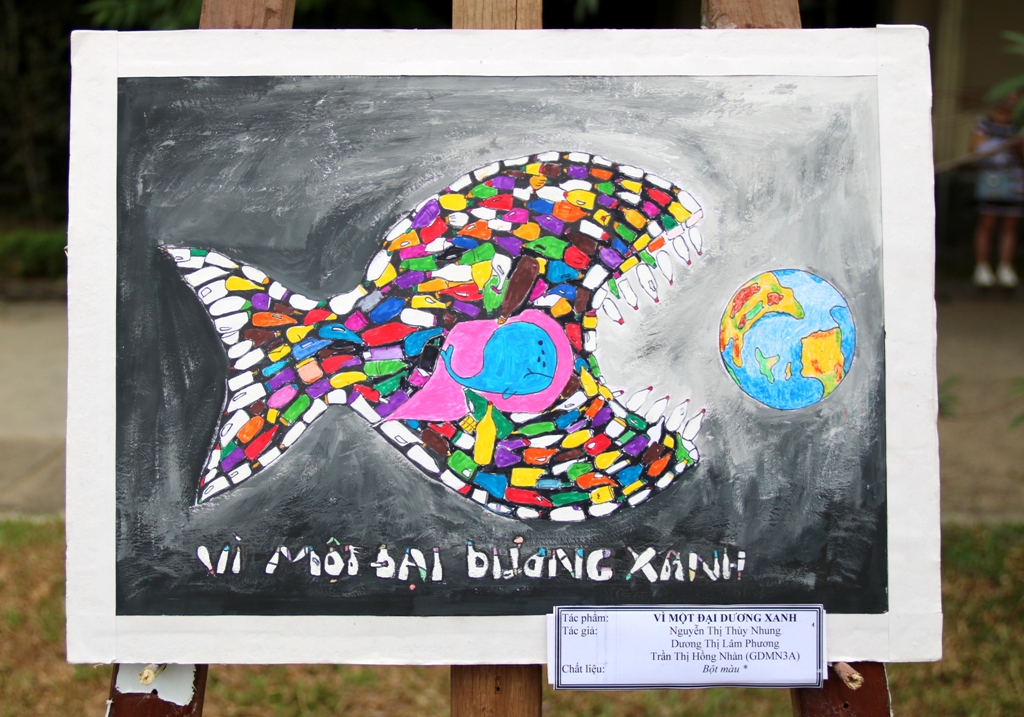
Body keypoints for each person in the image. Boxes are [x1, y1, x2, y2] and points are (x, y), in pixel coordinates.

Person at [971, 95, 1023, 288]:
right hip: (991, 179)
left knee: (1010, 224)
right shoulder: (985, 123)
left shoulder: (1019, 125)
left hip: (1015, 181)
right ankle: (982, 267)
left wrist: (1017, 144)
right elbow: (975, 149)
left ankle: (1005, 267)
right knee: (987, 222)